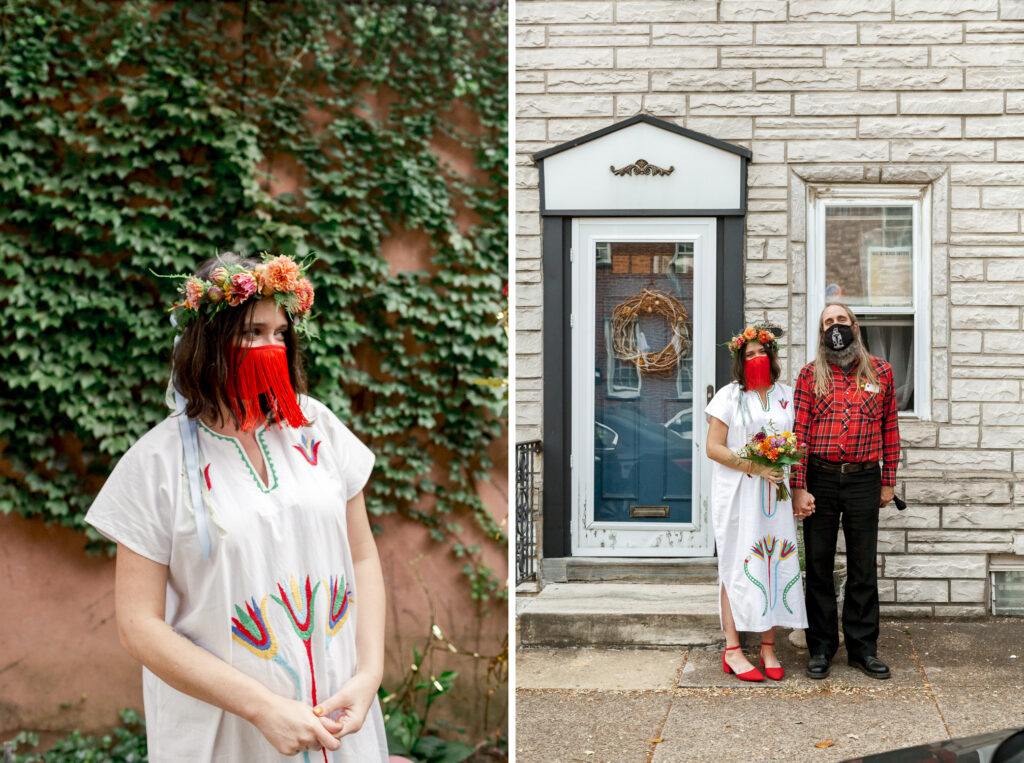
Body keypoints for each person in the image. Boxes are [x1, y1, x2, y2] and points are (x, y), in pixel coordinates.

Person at [85, 253, 389, 761]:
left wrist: (369, 675)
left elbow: (362, 557)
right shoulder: (157, 464)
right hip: (226, 731)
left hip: (341, 712)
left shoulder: (317, 426)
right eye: (253, 332)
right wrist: (263, 708)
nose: (272, 346)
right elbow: (138, 626)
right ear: (209, 341)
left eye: (280, 333)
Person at [791, 303, 900, 681]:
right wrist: (798, 487)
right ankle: (820, 648)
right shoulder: (809, 375)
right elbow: (799, 436)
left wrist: (889, 480)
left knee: (863, 567)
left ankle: (863, 650)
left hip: (863, 480)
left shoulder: (881, 371)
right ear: (821, 332)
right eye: (827, 322)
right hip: (819, 479)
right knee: (818, 567)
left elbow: (889, 429)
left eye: (841, 321)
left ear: (854, 326)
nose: (835, 327)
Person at [704, 324, 808, 682]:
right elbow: (713, 447)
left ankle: (767, 646)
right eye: (749, 355)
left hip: (775, 495)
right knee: (737, 563)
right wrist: (755, 466)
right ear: (740, 360)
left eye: (762, 352)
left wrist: (787, 476)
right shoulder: (729, 396)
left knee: (773, 562)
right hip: (737, 494)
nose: (757, 358)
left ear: (772, 356)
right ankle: (732, 649)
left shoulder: (787, 395)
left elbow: (798, 442)